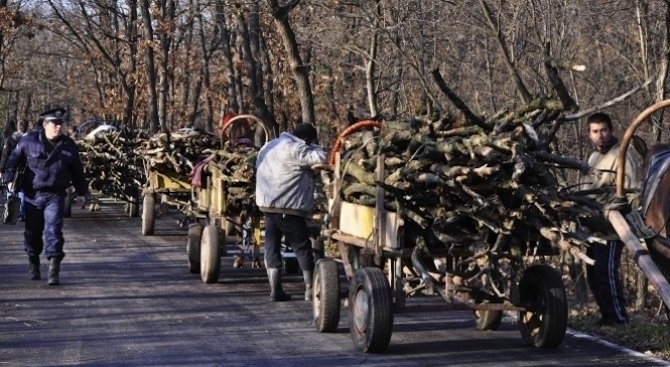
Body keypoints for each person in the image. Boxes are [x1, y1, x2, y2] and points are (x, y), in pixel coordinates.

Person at [3, 107, 87, 285]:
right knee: (32, 233)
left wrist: (82, 193)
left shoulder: (68, 146)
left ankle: (54, 267)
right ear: (45, 124)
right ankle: (33, 260)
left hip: (55, 195)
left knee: (54, 230)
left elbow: (77, 172)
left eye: (60, 124)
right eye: (54, 124)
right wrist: (8, 179)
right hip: (33, 195)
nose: (58, 128)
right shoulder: (29, 141)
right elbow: (13, 159)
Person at [255, 123, 326, 301]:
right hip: (289, 206)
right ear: (308, 139)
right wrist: (315, 147)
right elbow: (321, 158)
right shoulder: (297, 149)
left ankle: (275, 291)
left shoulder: (269, 146)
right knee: (301, 247)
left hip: (268, 206)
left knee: (272, 247)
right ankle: (310, 289)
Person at [581, 112, 639, 325]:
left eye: (604, 130)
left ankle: (618, 318)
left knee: (607, 274)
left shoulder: (622, 155)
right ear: (589, 134)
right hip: (592, 228)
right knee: (594, 275)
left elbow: (633, 193)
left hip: (613, 229)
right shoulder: (593, 158)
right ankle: (606, 316)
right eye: (595, 131)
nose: (600, 135)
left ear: (611, 130)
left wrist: (612, 210)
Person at [0, 120, 30, 220]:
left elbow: (5, 155)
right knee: (22, 190)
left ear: (18, 127)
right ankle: (21, 213)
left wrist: (2, 169)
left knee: (10, 189)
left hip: (11, 167)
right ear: (26, 127)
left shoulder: (11, 139)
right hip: (25, 168)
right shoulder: (30, 139)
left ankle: (11, 212)